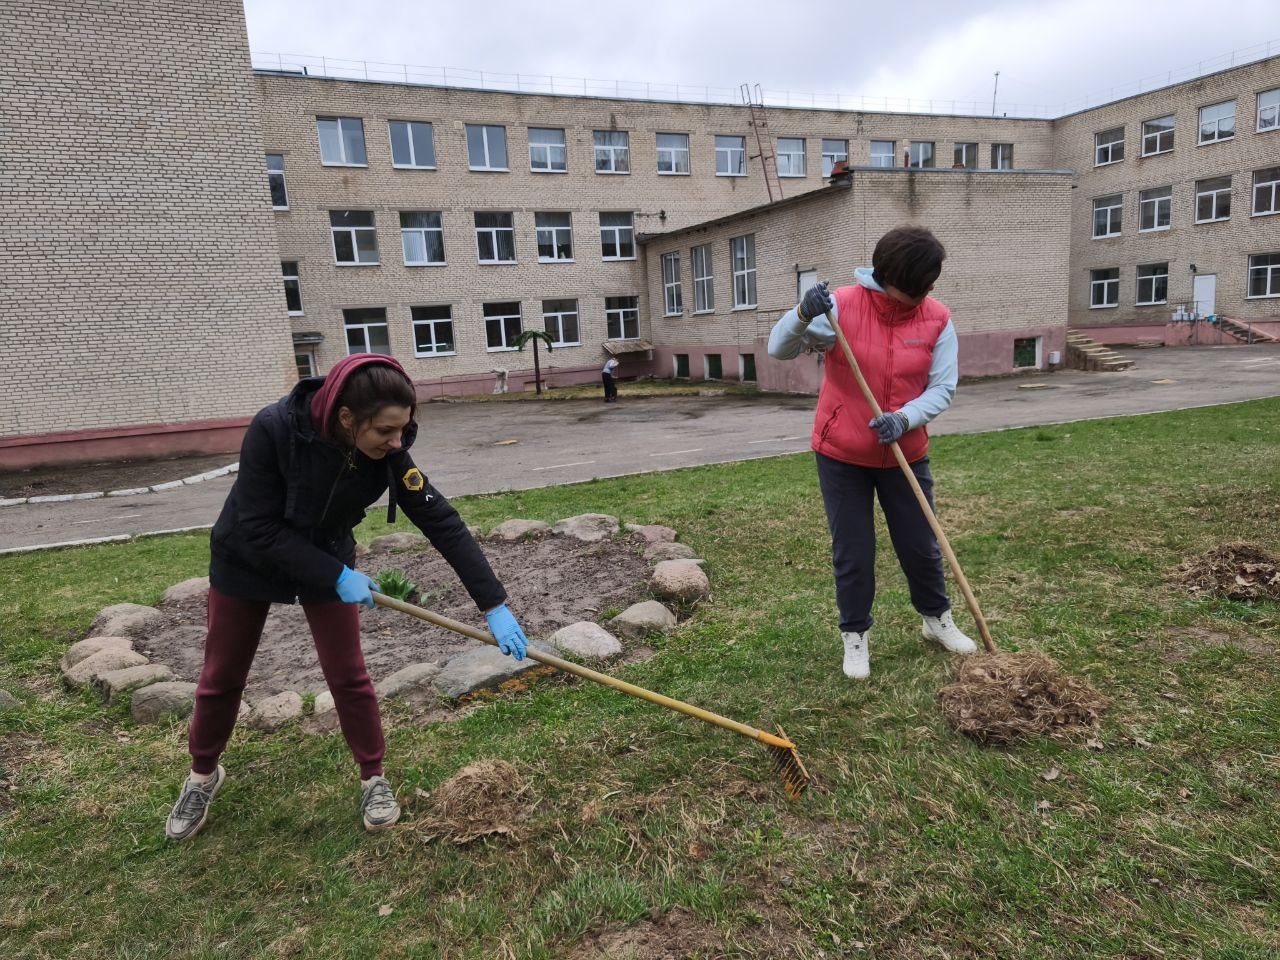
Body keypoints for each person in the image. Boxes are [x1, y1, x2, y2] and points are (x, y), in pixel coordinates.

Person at [165, 354, 530, 840]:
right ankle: (202, 774)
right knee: (223, 674)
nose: (397, 442)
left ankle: (373, 777)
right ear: (345, 418)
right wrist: (336, 574)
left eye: (404, 429)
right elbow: (256, 524)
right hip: (247, 559)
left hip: (326, 555)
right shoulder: (274, 429)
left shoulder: (389, 449)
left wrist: (494, 605)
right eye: (385, 430)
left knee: (349, 674)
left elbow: (439, 519)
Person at [768, 226, 977, 680]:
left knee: (921, 546)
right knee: (854, 552)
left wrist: (905, 417)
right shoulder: (841, 307)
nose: (925, 293)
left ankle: (936, 619)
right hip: (842, 455)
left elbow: (942, 387)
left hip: (906, 453)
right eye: (918, 286)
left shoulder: (937, 318)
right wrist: (801, 314)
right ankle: (855, 634)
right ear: (890, 277)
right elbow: (779, 349)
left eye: (931, 285)